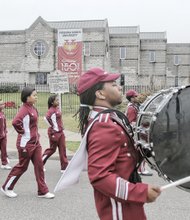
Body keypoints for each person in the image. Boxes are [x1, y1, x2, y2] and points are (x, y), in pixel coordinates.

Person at [75, 67, 161, 220]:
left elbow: (124, 154)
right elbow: (99, 176)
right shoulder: (103, 124)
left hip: (126, 202)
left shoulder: (109, 118)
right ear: (100, 93)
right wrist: (140, 192)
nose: (119, 87)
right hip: (118, 208)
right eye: (113, 84)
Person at [1, 87, 55, 199]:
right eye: (34, 95)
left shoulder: (32, 107)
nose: (36, 97)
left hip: (36, 143)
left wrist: (35, 135)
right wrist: (23, 132)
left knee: (39, 166)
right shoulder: (24, 109)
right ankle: (7, 187)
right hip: (26, 144)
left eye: (36, 95)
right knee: (22, 167)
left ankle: (42, 191)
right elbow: (16, 122)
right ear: (27, 97)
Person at [125, 89, 153, 176]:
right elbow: (131, 122)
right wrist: (142, 124)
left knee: (140, 150)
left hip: (137, 132)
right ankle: (141, 170)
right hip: (135, 133)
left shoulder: (134, 106)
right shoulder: (131, 108)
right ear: (131, 98)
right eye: (135, 96)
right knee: (141, 150)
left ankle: (139, 169)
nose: (137, 97)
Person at [42, 94, 68, 173]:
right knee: (52, 150)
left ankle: (64, 168)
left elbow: (58, 119)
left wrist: (61, 126)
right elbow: (45, 118)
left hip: (60, 133)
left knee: (62, 150)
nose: (58, 101)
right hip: (55, 133)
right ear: (52, 102)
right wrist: (52, 127)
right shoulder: (51, 110)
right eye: (56, 100)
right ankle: (40, 163)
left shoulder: (56, 109)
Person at [0, 99, 11, 170]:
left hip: (3, 135)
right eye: (1, 104)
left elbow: (4, 124)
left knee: (4, 150)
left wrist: (5, 131)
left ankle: (4, 163)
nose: (2, 105)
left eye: (3, 104)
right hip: (1, 135)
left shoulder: (2, 113)